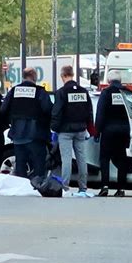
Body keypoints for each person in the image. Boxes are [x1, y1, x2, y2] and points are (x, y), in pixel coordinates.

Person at [0, 67, 53, 179]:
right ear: (34, 76)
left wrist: (10, 122)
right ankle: (37, 185)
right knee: (39, 163)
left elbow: (3, 109)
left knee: (20, 164)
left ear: (23, 76)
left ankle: (22, 186)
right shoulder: (40, 91)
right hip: (36, 134)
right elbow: (48, 109)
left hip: (17, 134)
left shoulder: (14, 91)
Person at [51, 65, 94, 194]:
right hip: (81, 129)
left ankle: (65, 187)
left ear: (63, 76)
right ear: (73, 74)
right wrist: (88, 126)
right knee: (82, 158)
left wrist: (54, 128)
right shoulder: (83, 91)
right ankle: (83, 187)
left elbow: (57, 112)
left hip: (65, 130)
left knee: (67, 159)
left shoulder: (61, 92)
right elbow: (89, 110)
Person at [95, 70, 132, 197]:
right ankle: (121, 189)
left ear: (109, 81)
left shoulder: (106, 93)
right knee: (122, 159)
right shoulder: (127, 93)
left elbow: (100, 114)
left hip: (108, 131)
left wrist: (97, 132)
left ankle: (105, 186)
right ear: (120, 80)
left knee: (104, 159)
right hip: (125, 131)